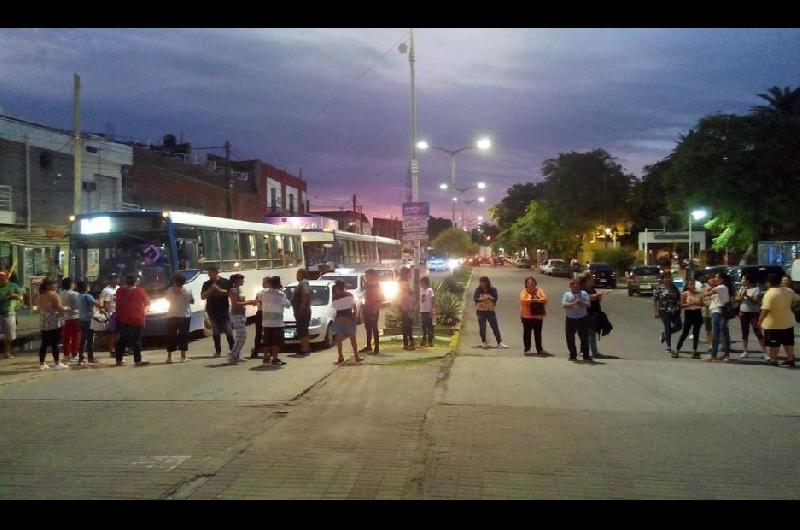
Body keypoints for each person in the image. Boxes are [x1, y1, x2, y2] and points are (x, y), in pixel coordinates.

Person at [758, 273, 799, 368]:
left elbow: (765, 310)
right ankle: (790, 359)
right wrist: (791, 307)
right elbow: (797, 299)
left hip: (773, 323)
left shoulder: (770, 293)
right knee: (788, 342)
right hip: (788, 321)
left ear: (768, 283)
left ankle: (774, 360)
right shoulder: (788, 290)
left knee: (774, 343)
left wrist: (760, 321)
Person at [114, 275, 150, 366]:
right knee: (137, 339)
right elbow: (147, 302)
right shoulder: (140, 291)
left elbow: (116, 301)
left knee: (122, 339)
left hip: (123, 318)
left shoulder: (119, 291)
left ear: (126, 282)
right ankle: (137, 360)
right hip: (138, 318)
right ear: (136, 282)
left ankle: (118, 360)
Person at [36, 278, 70, 371]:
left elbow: (39, 308)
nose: (56, 285)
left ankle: (42, 363)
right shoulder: (54, 295)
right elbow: (59, 308)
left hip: (44, 322)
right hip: (54, 322)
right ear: (49, 286)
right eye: (54, 284)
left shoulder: (40, 296)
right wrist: (67, 308)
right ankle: (57, 363)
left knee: (44, 343)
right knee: (55, 343)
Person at [201, 265, 234, 357]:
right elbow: (203, 296)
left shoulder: (225, 282)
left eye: (210, 274)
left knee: (228, 330)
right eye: (208, 275)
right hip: (212, 310)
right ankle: (218, 351)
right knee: (215, 331)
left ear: (216, 273)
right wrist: (211, 289)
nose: (209, 276)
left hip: (223, 309)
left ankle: (233, 350)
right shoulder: (206, 284)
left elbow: (231, 293)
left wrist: (219, 290)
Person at [260, 275, 290, 366]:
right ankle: (275, 359)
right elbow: (287, 305)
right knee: (275, 342)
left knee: (266, 341)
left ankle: (265, 358)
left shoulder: (264, 292)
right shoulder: (281, 294)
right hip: (277, 322)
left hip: (266, 321)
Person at [228, 273, 258, 363]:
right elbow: (235, 303)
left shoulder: (239, 289)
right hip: (236, 315)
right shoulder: (233, 290)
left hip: (241, 314)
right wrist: (249, 302)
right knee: (242, 336)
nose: (243, 281)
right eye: (241, 279)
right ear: (236, 280)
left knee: (240, 336)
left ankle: (237, 355)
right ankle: (233, 355)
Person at [165, 273, 194, 363]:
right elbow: (192, 301)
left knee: (171, 336)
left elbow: (167, 299)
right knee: (183, 336)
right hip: (184, 316)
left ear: (174, 282)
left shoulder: (169, 290)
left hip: (171, 316)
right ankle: (183, 356)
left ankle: (169, 357)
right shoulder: (188, 290)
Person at [736, 274, 766, 359]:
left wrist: (746, 296)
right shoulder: (742, 288)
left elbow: (756, 301)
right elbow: (737, 299)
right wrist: (741, 296)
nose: (741, 281)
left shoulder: (756, 289)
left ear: (748, 281)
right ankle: (745, 351)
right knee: (744, 331)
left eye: (743, 279)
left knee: (757, 331)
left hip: (754, 313)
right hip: (743, 312)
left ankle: (765, 352)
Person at [473, 276, 508, 349]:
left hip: (490, 310)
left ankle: (499, 342)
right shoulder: (478, 290)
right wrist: (481, 298)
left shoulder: (493, 290)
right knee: (482, 327)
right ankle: (484, 342)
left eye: (483, 283)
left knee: (494, 326)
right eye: (480, 283)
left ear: (487, 283)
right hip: (480, 311)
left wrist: (489, 297)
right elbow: (475, 299)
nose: (481, 284)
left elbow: (495, 299)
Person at [580, 272, 609, 358]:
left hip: (594, 312)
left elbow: (596, 300)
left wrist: (600, 297)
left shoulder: (592, 288)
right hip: (587, 313)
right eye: (592, 278)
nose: (593, 280)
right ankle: (590, 351)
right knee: (589, 333)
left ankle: (591, 351)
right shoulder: (583, 289)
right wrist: (598, 294)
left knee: (591, 332)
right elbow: (588, 297)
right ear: (587, 280)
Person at [562, 279, 592, 362]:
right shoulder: (567, 294)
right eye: (574, 285)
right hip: (571, 318)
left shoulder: (584, 294)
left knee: (584, 337)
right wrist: (574, 303)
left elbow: (588, 304)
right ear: (570, 286)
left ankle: (586, 355)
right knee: (570, 337)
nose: (576, 287)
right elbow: (564, 305)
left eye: (577, 285)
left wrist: (581, 303)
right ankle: (573, 354)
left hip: (582, 317)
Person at [333, 279, 362, 363]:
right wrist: (355, 318)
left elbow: (335, 308)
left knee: (339, 338)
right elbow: (353, 307)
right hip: (348, 317)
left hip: (339, 317)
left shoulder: (335, 297)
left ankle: (340, 356)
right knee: (352, 338)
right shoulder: (349, 295)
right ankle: (356, 355)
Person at [704, 272, 731, 362]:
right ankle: (726, 355)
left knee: (715, 334)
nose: (715, 279)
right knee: (725, 333)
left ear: (722, 279)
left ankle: (713, 355)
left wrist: (702, 293)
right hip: (723, 312)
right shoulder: (725, 287)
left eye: (716, 277)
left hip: (717, 312)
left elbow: (707, 293)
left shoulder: (720, 287)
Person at [653, 273, 681, 354]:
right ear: (663, 279)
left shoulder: (675, 288)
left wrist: (679, 307)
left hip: (674, 310)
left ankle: (665, 334)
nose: (668, 280)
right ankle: (668, 347)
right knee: (667, 326)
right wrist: (656, 311)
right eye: (666, 278)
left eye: (669, 278)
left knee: (678, 326)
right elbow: (655, 300)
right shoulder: (659, 288)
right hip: (664, 310)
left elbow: (678, 298)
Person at [519, 276, 549, 356]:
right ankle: (527, 349)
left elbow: (545, 299)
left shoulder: (539, 290)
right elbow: (523, 301)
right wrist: (534, 299)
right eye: (528, 283)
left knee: (538, 333)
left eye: (532, 282)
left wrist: (537, 299)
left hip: (538, 316)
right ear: (526, 284)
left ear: (535, 283)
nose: (531, 284)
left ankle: (539, 349)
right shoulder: (524, 292)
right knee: (527, 333)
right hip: (526, 316)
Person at [675, 281, 704, 358]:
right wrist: (689, 304)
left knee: (696, 333)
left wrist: (696, 303)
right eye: (690, 284)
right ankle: (677, 349)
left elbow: (702, 304)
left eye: (693, 284)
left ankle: (694, 351)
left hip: (697, 313)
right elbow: (681, 305)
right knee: (685, 332)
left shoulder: (699, 294)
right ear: (687, 286)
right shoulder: (685, 294)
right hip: (689, 313)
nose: (692, 286)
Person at [359, 269, 384, 355]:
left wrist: (374, 310)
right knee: (368, 328)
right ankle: (369, 346)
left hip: (373, 310)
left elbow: (378, 300)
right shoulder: (367, 285)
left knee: (374, 328)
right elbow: (366, 298)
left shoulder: (376, 285)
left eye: (367, 275)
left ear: (371, 275)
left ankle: (376, 347)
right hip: (367, 309)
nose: (365, 277)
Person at [0, 270, 23, 360]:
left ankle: (7, 352)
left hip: (9, 313)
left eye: (3, 276)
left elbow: (21, 295)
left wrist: (18, 296)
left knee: (9, 335)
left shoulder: (12, 285)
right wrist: (8, 297)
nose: (1, 278)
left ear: (6, 277)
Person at [76, 280, 99, 365]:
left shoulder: (78, 296)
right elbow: (96, 303)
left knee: (82, 339)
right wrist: (98, 300)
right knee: (90, 340)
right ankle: (90, 358)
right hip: (89, 320)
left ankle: (81, 358)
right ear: (86, 287)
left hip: (81, 319)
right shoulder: (87, 296)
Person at [59, 277, 82, 363]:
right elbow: (78, 306)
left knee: (66, 337)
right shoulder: (75, 294)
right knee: (76, 336)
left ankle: (66, 354)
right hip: (75, 317)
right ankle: (74, 354)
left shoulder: (61, 294)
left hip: (66, 317)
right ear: (71, 284)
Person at [292, 269, 312, 356]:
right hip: (303, 310)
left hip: (303, 311)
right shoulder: (304, 283)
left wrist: (301, 307)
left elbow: (305, 294)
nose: (296, 276)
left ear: (301, 275)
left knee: (302, 330)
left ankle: (304, 348)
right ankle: (306, 348)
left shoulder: (303, 283)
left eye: (297, 274)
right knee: (304, 330)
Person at [99, 273, 120, 357]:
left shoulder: (119, 288)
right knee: (111, 333)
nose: (115, 280)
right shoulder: (106, 290)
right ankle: (112, 350)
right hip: (111, 313)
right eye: (113, 278)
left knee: (118, 332)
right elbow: (105, 302)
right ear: (110, 280)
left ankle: (119, 348)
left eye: (116, 278)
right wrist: (107, 313)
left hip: (119, 312)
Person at [250, 276, 269, 359]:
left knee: (261, 333)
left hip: (262, 312)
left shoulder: (264, 292)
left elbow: (256, 302)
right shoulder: (262, 292)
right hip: (263, 313)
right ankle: (258, 351)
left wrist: (257, 301)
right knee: (262, 333)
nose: (263, 283)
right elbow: (256, 302)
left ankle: (258, 351)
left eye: (264, 282)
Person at [398, 268, 415, 350]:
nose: (410, 275)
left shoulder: (403, 283)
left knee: (407, 325)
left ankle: (407, 343)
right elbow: (405, 296)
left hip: (404, 306)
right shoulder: (404, 283)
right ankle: (409, 343)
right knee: (407, 325)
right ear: (405, 274)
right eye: (409, 273)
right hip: (405, 306)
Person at [419, 276, 435, 347]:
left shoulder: (430, 290)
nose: (421, 285)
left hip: (428, 311)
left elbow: (433, 299)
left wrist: (432, 310)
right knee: (423, 326)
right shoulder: (422, 291)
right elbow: (420, 301)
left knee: (429, 326)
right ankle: (424, 340)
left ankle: (430, 341)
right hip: (422, 311)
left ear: (425, 283)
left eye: (421, 283)